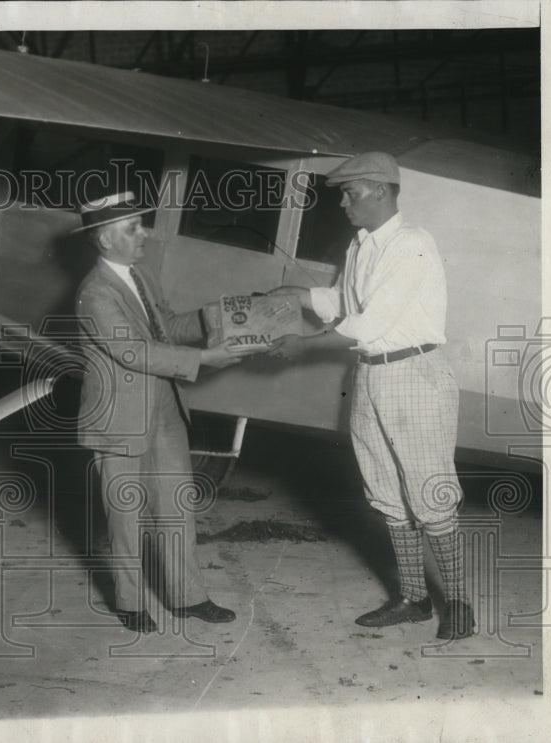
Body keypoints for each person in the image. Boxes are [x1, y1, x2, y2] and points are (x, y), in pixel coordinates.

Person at [268, 152, 474, 641]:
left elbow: (369, 323)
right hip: (371, 376)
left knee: (430, 493)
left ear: (381, 191)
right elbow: (343, 303)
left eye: (351, 192)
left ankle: (460, 603)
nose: (342, 203)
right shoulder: (361, 245)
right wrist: (295, 296)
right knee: (386, 492)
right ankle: (412, 597)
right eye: (342, 194)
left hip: (414, 374)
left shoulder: (411, 244)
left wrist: (305, 344)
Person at [73, 190, 250, 633]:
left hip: (164, 411)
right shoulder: (94, 293)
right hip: (118, 421)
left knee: (176, 511)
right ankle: (130, 602)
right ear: (103, 240)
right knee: (126, 518)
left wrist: (221, 315)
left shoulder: (141, 276)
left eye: (141, 223)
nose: (145, 233)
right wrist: (204, 361)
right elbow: (134, 352)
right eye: (133, 227)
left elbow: (166, 326)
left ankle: (188, 597)